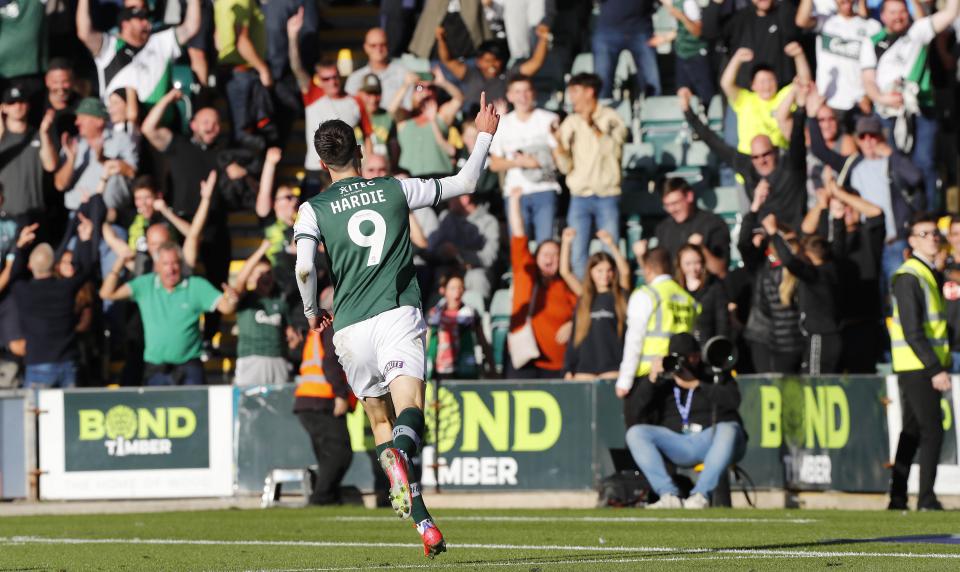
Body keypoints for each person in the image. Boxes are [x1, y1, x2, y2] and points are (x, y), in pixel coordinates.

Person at [293, 96, 500, 557]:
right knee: (409, 413)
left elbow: (305, 269)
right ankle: (402, 454)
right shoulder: (395, 189)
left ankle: (424, 523)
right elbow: (467, 180)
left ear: (323, 162)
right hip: (395, 312)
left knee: (380, 419)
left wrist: (311, 313)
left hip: (348, 327)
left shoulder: (312, 210)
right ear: (360, 152)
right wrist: (484, 133)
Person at [624, 332, 746, 509]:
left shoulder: (712, 371)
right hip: (676, 440)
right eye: (682, 359)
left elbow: (733, 401)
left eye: (692, 357)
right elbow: (634, 413)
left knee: (729, 429)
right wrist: (651, 380)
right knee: (636, 433)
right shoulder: (665, 379)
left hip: (710, 439)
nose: (688, 363)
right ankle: (669, 495)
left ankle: (700, 496)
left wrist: (698, 384)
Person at [860, 0, 960, 212]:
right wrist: (882, 98)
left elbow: (951, 12)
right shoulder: (873, 42)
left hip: (922, 109)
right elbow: (868, 80)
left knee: (925, 163)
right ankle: (904, 220)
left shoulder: (918, 31)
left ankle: (931, 216)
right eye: (892, 12)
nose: (898, 17)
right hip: (889, 113)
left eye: (902, 11)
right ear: (883, 16)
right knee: (897, 167)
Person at [99, 241, 240, 386]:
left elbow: (226, 308)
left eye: (175, 263)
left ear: (181, 264)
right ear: (157, 266)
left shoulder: (196, 285)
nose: (171, 269)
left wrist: (232, 299)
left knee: (197, 407)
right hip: (156, 368)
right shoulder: (145, 284)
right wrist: (119, 262)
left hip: (189, 367)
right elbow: (107, 293)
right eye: (166, 264)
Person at [888, 213, 952, 511]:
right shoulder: (910, 275)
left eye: (936, 233)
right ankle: (926, 498)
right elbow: (913, 331)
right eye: (926, 234)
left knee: (912, 430)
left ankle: (898, 497)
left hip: (917, 364)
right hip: (918, 366)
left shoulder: (925, 272)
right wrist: (935, 368)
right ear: (912, 241)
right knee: (932, 430)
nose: (934, 238)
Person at [679, 87, 806, 229]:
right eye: (756, 157)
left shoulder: (791, 164)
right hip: (764, 236)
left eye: (766, 154)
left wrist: (800, 107)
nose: (761, 161)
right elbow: (713, 141)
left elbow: (797, 139)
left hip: (795, 233)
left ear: (775, 151)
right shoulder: (747, 166)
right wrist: (688, 112)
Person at [553, 73, 628, 279]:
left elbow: (613, 148)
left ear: (589, 92)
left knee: (609, 251)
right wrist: (558, 146)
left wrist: (591, 125)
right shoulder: (571, 122)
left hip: (607, 195)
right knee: (578, 255)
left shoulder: (611, 117)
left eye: (575, 91)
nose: (571, 97)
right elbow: (566, 166)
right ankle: (584, 299)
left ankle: (612, 298)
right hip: (579, 197)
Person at [616, 247, 700, 427]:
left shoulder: (646, 295)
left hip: (649, 376)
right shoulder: (687, 299)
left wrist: (625, 380)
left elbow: (634, 340)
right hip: (680, 374)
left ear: (647, 269)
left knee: (639, 433)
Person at [10, 215, 96, 388]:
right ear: (54, 265)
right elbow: (87, 269)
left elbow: (14, 275)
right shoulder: (65, 288)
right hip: (67, 363)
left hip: (38, 364)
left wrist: (20, 247)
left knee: (37, 414)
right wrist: (86, 240)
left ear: (30, 266)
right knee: (67, 414)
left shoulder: (23, 290)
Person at [505, 187, 578, 378]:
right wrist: (514, 202)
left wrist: (572, 324)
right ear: (536, 258)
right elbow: (519, 231)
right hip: (524, 361)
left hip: (557, 366)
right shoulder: (525, 271)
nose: (550, 258)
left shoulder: (567, 284)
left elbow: (585, 309)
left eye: (555, 254)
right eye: (545, 253)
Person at [293, 285, 354, 506]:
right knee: (340, 453)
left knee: (328, 454)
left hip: (309, 400)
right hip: (322, 399)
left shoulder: (319, 328)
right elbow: (330, 362)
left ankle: (328, 496)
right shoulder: (331, 326)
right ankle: (322, 497)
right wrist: (340, 395)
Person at [76, 0, 200, 105]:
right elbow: (84, 32)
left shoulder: (161, 41)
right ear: (125, 24)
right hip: (118, 127)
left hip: (154, 121)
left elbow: (191, 27)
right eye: (140, 19)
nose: (147, 23)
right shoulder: (109, 46)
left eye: (146, 18)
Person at [764, 214, 842, 374]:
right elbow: (838, 245)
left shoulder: (815, 275)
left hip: (820, 337)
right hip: (832, 336)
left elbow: (789, 261)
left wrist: (773, 233)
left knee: (815, 382)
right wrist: (836, 218)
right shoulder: (833, 268)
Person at [489, 75, 561, 244]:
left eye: (527, 91)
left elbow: (559, 157)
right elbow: (495, 164)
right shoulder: (503, 124)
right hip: (516, 193)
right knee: (519, 245)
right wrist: (519, 162)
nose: (523, 96)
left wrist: (538, 163)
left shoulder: (549, 119)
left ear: (534, 93)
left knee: (547, 245)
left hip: (545, 188)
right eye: (518, 92)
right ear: (510, 96)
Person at [559, 228, 630, 381]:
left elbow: (625, 272)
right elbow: (565, 272)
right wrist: (566, 243)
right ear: (590, 272)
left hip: (612, 367)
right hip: (584, 368)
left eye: (609, 270)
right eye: (599, 270)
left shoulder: (618, 296)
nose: (605, 275)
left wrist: (612, 245)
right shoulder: (585, 296)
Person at [795, 0, 880, 124]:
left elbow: (877, 66)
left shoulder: (872, 26)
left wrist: (869, 95)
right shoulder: (825, 22)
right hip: (826, 103)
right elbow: (801, 21)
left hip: (859, 103)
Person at [435, 25, 550, 114]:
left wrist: (543, 38)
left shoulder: (509, 75)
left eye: (496, 60)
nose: (492, 65)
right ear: (478, 62)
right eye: (487, 60)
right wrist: (441, 39)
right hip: (471, 125)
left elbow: (536, 63)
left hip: (500, 127)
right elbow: (447, 60)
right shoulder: (470, 74)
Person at [720, 45, 810, 156]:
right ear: (753, 85)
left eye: (770, 80)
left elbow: (804, 83)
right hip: (749, 161)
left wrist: (798, 56)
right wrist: (737, 59)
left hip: (778, 159)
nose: (767, 86)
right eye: (762, 82)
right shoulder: (745, 100)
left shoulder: (782, 97)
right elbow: (726, 84)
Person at [231, 240, 300, 387]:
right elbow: (240, 279)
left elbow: (288, 330)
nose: (265, 277)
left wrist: (293, 336)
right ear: (251, 276)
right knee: (250, 406)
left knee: (279, 405)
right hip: (251, 359)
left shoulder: (280, 301)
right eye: (260, 273)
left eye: (268, 273)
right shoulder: (246, 298)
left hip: (279, 359)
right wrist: (262, 249)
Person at [55, 97, 138, 213]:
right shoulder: (73, 144)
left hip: (111, 214)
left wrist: (103, 159)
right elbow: (60, 185)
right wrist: (71, 160)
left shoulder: (121, 139)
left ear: (99, 121)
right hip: (78, 214)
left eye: (82, 118)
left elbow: (131, 171)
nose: (76, 122)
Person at [426, 192, 499, 302]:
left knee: (477, 278)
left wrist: (459, 254)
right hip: (450, 268)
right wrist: (444, 251)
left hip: (476, 270)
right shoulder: (446, 217)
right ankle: (435, 316)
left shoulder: (489, 221)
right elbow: (433, 250)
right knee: (439, 275)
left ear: (465, 198)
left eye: (451, 197)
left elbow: (490, 257)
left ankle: (476, 317)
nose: (448, 201)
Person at [0, 86, 57, 220]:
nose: (18, 106)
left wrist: (44, 133)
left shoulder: (39, 135)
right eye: (12, 103)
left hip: (35, 214)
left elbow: (51, 166)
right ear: (4, 107)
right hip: (5, 217)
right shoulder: (1, 138)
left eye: (21, 102)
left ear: (28, 105)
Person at [654, 178, 730, 278]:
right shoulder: (663, 229)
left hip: (707, 291)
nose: (672, 210)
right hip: (676, 290)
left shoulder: (713, 223)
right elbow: (660, 273)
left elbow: (721, 270)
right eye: (667, 205)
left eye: (675, 203)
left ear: (689, 196)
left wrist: (701, 249)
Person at [425, 272, 494, 380]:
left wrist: (492, 367)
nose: (457, 292)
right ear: (443, 290)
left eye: (460, 287)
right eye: (452, 288)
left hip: (465, 370)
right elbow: (427, 342)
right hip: (438, 371)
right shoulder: (434, 315)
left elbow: (483, 341)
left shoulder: (470, 314)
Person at [395, 70, 463, 178]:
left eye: (431, 88)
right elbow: (391, 109)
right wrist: (406, 85)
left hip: (439, 176)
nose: (426, 92)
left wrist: (443, 83)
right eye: (420, 88)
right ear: (412, 93)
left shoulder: (441, 115)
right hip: (410, 178)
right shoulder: (405, 118)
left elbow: (459, 99)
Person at [647, 0, 716, 104]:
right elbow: (681, 30)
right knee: (682, 93)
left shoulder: (689, 3)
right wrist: (665, 38)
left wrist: (681, 16)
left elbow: (696, 31)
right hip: (681, 54)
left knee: (706, 95)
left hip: (696, 54)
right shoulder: (675, 3)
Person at [592, 0, 661, 99]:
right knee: (602, 82)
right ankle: (602, 113)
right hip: (608, 30)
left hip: (641, 29)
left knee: (651, 82)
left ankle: (653, 112)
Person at [674, 244, 730, 346]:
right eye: (688, 263)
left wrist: (720, 345)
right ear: (680, 264)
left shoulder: (714, 286)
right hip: (683, 346)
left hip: (707, 345)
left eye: (697, 263)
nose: (693, 268)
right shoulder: (675, 288)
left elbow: (722, 321)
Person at [345, 28, 411, 111]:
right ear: (365, 47)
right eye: (373, 45)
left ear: (388, 45)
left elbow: (409, 108)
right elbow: (349, 109)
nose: (378, 49)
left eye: (382, 44)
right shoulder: (355, 78)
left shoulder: (404, 74)